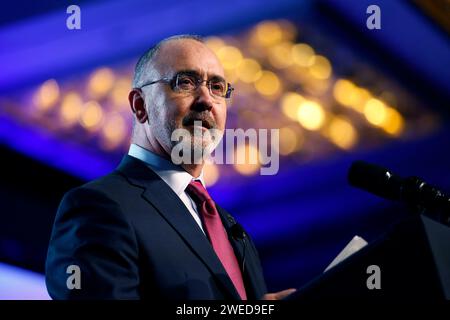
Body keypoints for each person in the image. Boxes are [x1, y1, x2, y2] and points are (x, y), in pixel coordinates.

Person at [46, 35, 296, 300]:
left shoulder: (233, 229)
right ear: (140, 106)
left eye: (217, 87)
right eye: (186, 82)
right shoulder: (97, 207)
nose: (206, 100)